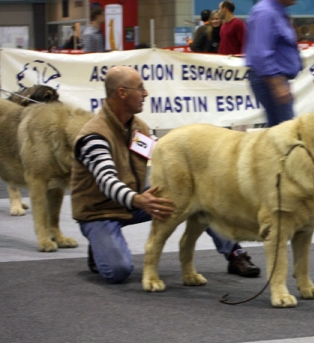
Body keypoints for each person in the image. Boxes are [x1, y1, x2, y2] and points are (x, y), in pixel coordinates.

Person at [70, 66, 260, 283]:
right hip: (99, 211)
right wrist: (139, 200)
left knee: (202, 197)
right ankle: (98, 244)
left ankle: (234, 253)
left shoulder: (138, 129)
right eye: (140, 88)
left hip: (135, 200)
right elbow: (107, 181)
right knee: (118, 271)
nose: (146, 94)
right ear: (122, 93)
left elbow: (160, 153)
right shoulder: (94, 136)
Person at [245, 0, 304, 128]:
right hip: (269, 79)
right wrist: (277, 84)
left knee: (279, 131)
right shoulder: (266, 13)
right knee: (285, 133)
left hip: (274, 78)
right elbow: (260, 53)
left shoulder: (278, 11)